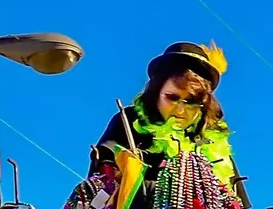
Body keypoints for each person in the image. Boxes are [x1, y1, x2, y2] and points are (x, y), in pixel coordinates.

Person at [89, 42, 243, 200]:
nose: (180, 110)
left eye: (191, 102)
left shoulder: (213, 141)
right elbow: (104, 181)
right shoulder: (130, 121)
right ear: (156, 93)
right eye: (172, 98)